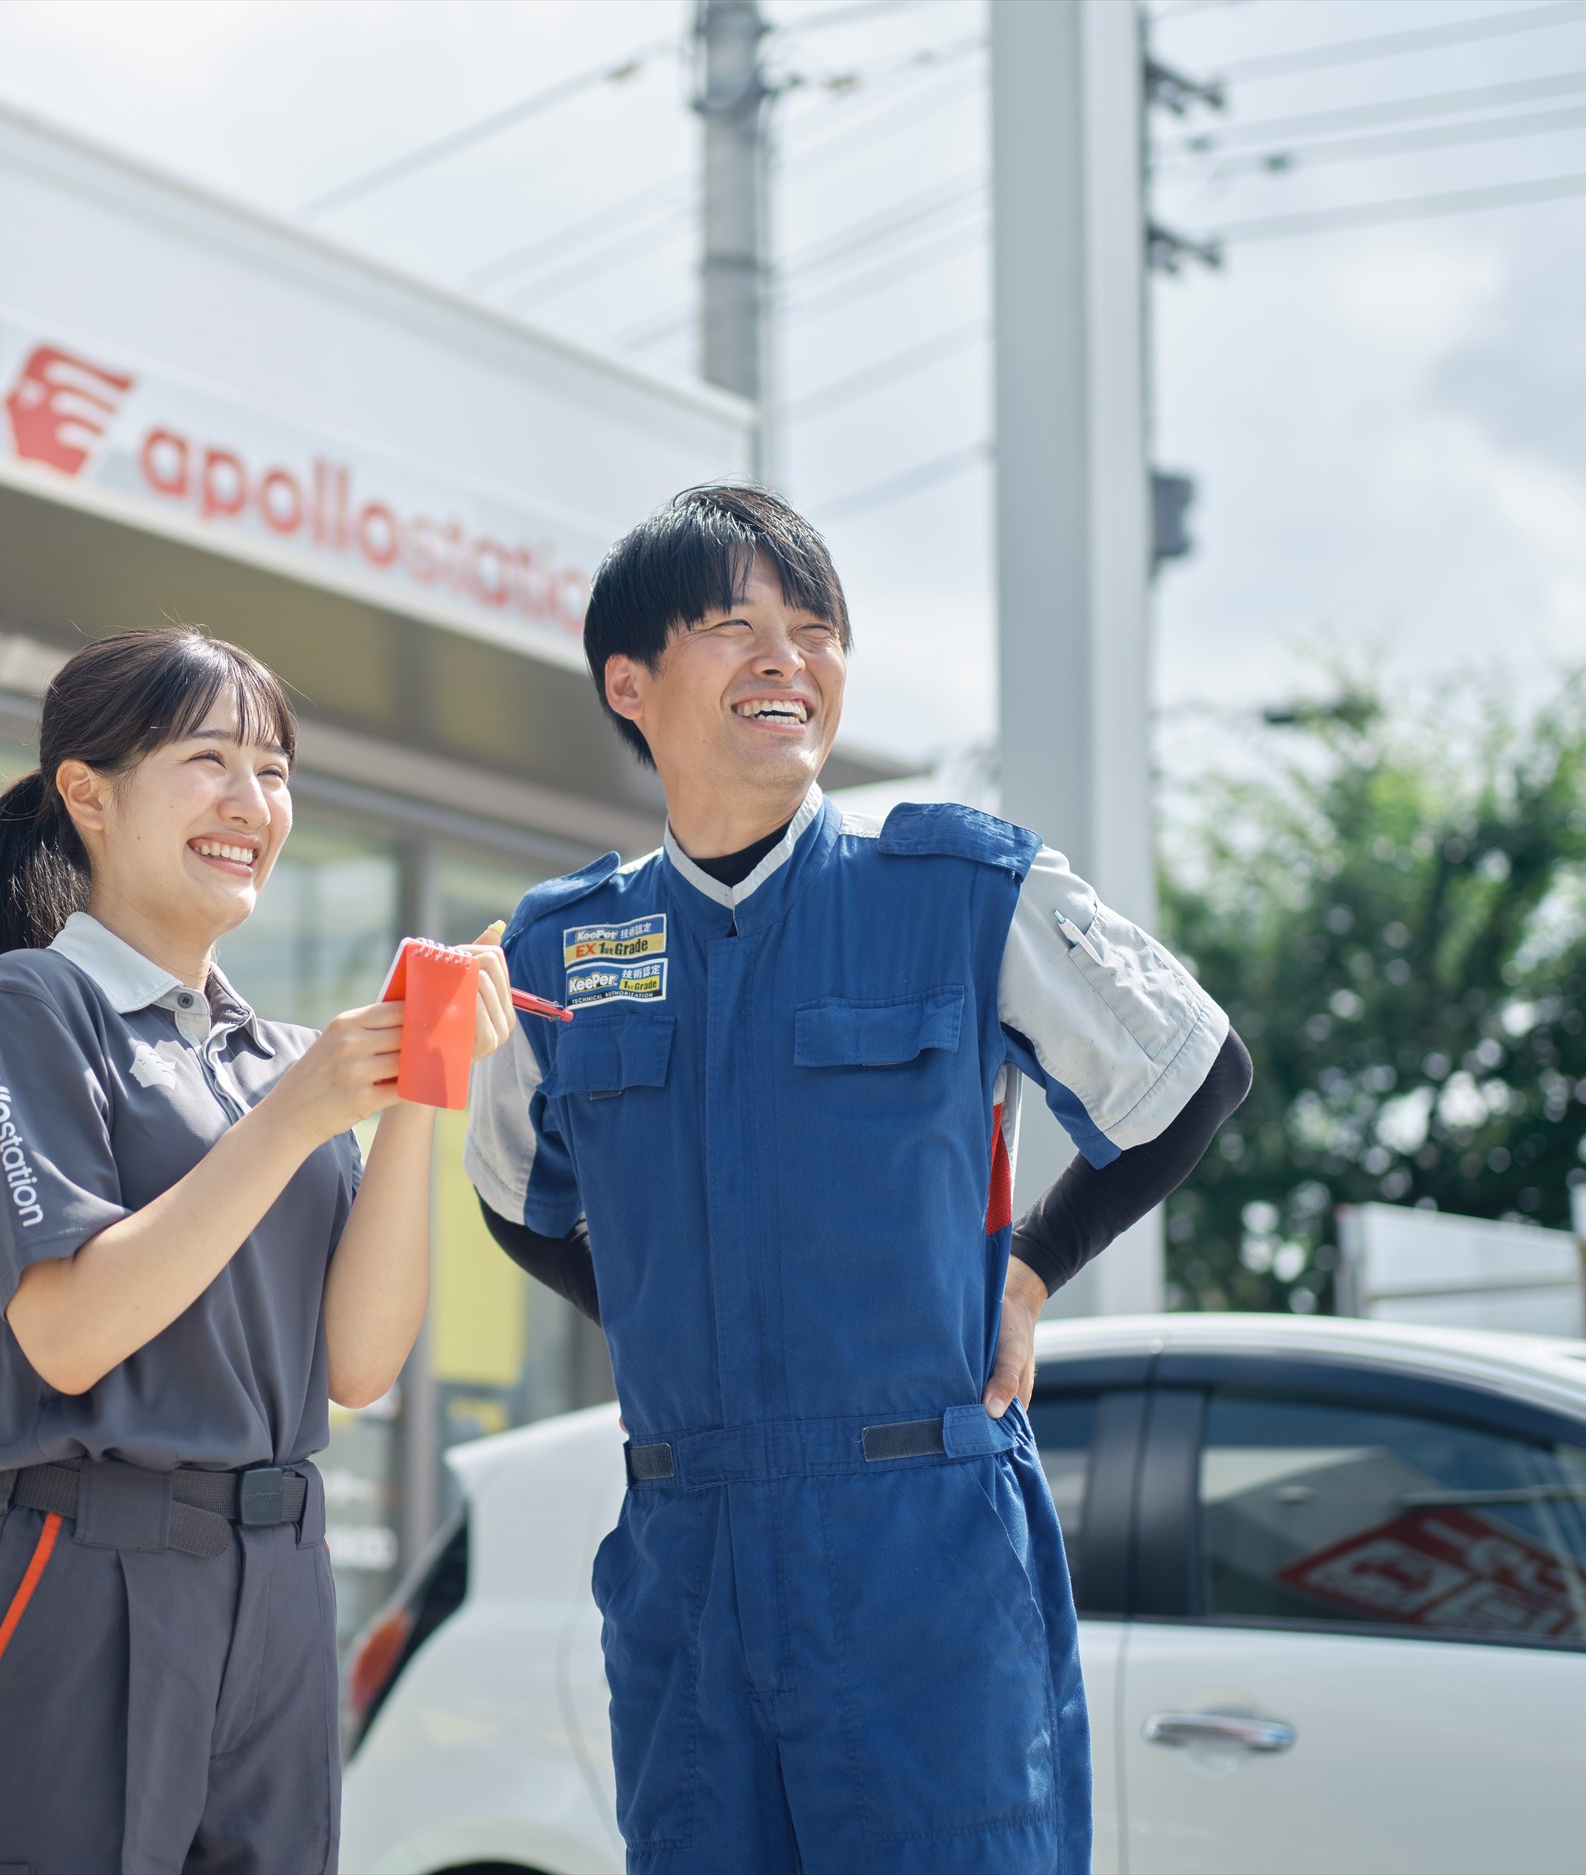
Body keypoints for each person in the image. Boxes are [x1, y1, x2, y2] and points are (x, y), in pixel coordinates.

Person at [465, 485, 1251, 1875]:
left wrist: (1030, 1268)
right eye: (735, 626)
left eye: (816, 627)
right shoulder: (563, 951)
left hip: (921, 1559)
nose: (789, 657)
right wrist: (664, 1313)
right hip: (687, 1563)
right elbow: (519, 1198)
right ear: (629, 682)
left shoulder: (956, 888)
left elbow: (1193, 1067)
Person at [0, 627, 510, 1875]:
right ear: (89, 794)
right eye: (208, 761)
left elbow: (359, 1364)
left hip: (280, 1588)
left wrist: (415, 1091)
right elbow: (68, 1330)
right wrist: (298, 1117)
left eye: (275, 770)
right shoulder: (23, 1011)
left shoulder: (283, 1059)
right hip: (85, 1581)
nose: (252, 803)